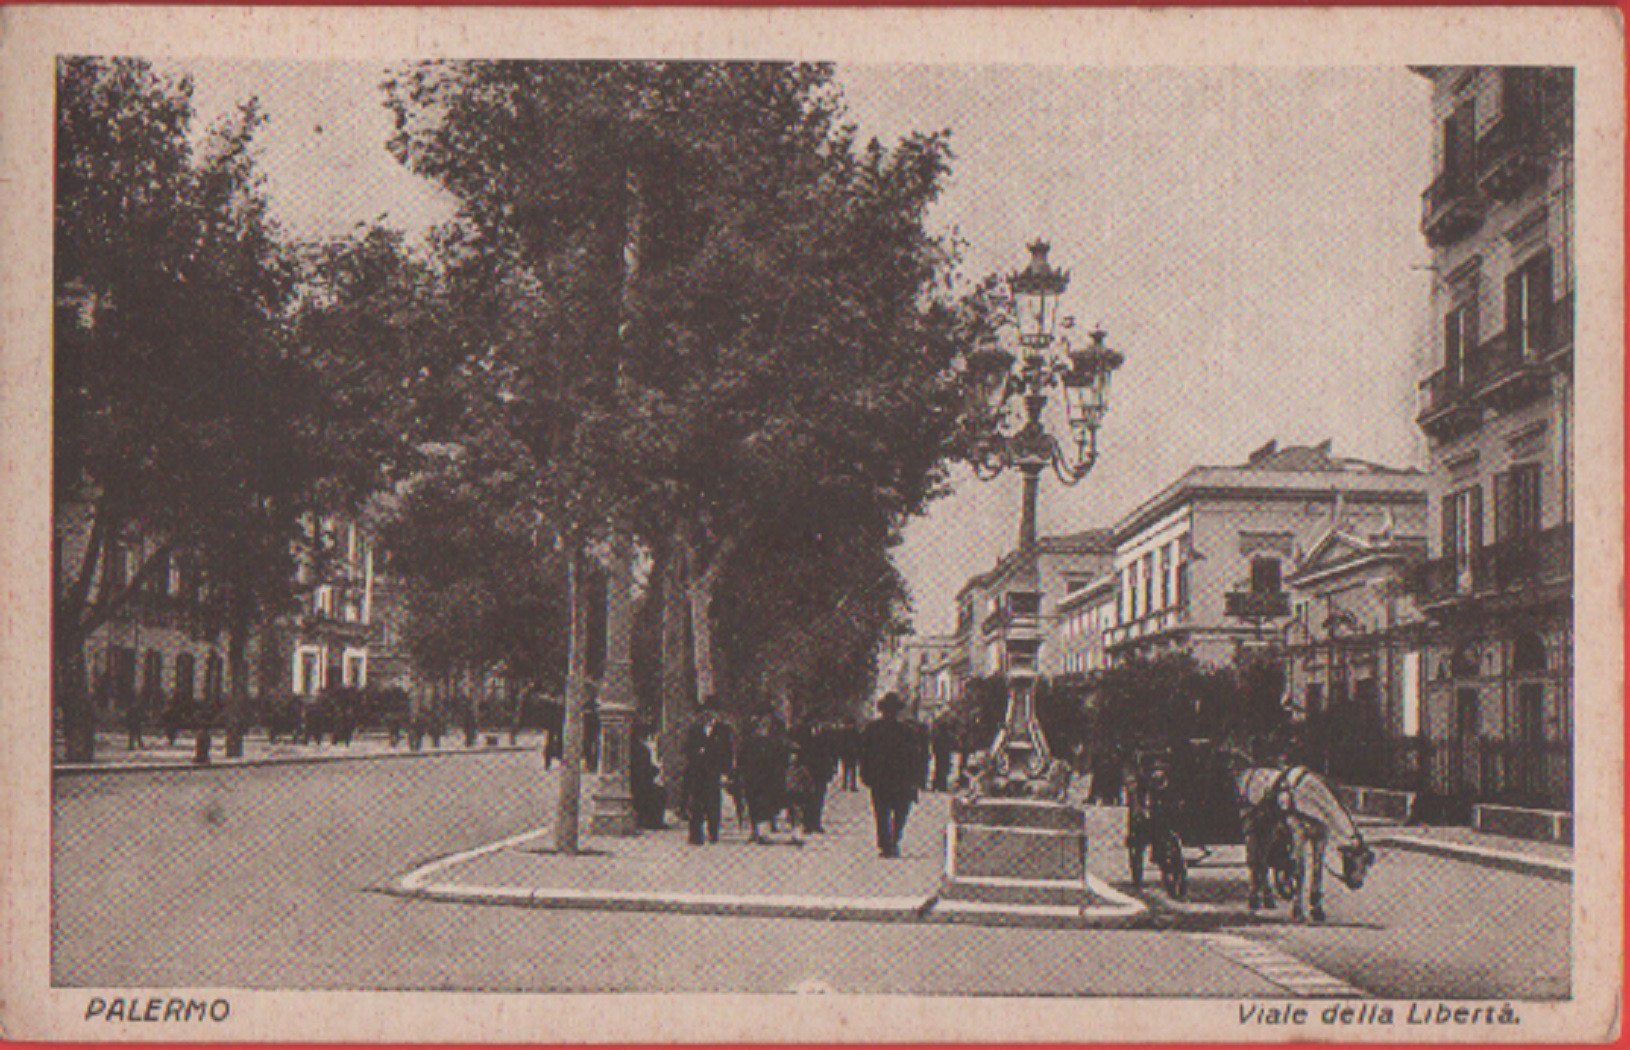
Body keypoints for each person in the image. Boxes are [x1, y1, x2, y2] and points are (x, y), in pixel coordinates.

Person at [861, 693, 927, 858]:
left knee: (882, 812)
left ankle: (885, 844)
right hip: (901, 779)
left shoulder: (872, 729)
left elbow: (863, 754)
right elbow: (917, 757)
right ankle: (893, 840)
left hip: (880, 778)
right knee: (900, 812)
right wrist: (918, 779)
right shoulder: (907, 731)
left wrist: (865, 775)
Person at [681, 698, 736, 845]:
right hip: (697, 771)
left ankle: (713, 831)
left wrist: (727, 772)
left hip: (713, 771)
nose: (709, 715)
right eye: (707, 712)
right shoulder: (695, 729)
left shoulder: (724, 730)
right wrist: (696, 753)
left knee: (713, 802)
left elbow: (728, 752)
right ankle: (695, 834)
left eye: (713, 712)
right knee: (696, 803)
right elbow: (686, 749)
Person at [738, 710, 790, 843]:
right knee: (753, 804)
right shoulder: (749, 743)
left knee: (763, 805)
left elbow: (781, 761)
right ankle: (756, 830)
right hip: (752, 778)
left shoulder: (773, 743)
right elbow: (741, 760)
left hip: (766, 778)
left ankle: (762, 832)